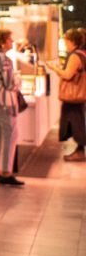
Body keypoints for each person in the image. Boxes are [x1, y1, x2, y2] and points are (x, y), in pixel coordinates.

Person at [0, 28, 24, 186]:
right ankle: (7, 172)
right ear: (2, 42)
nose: (12, 42)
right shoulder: (5, 60)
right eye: (9, 39)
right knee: (10, 136)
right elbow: (10, 84)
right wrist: (18, 80)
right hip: (6, 104)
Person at [45, 28, 86, 161]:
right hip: (79, 96)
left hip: (73, 96)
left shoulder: (75, 56)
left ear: (72, 41)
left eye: (66, 41)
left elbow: (68, 75)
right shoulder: (82, 53)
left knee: (76, 122)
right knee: (76, 120)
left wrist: (54, 68)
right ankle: (79, 150)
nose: (65, 44)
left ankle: (80, 151)